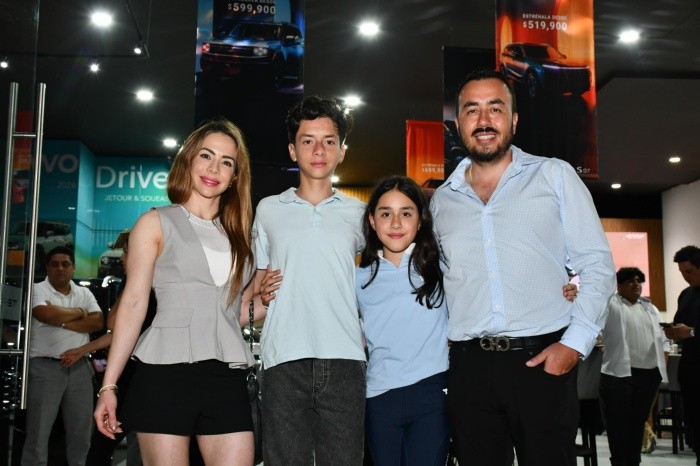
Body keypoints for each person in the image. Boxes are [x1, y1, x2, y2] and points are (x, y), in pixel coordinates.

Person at [430, 68, 616, 466]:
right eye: (472, 110)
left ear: (513, 120)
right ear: (458, 123)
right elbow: (442, 283)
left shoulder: (554, 175)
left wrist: (574, 343)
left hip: (542, 361)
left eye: (495, 109)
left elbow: (597, 266)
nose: (483, 120)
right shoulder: (442, 200)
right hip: (469, 368)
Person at [93, 118, 265, 466]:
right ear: (188, 160)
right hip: (165, 374)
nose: (214, 168)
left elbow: (232, 312)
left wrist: (267, 300)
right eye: (206, 155)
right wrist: (109, 386)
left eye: (226, 162)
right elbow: (134, 304)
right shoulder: (155, 222)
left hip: (226, 377)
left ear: (235, 176)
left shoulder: (242, 236)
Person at [253, 95, 366, 465]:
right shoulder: (268, 209)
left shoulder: (360, 213)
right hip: (283, 359)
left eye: (329, 141)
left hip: (346, 358)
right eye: (308, 140)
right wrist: (257, 298)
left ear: (341, 151)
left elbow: (383, 277)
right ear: (292, 150)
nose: (319, 150)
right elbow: (257, 288)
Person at [356, 175, 450, 466]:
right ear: (372, 221)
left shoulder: (442, 270)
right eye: (386, 214)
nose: (396, 223)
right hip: (378, 397)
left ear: (420, 221)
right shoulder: (357, 278)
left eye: (406, 213)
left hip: (432, 394)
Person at [62, 234, 154, 466]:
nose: (121, 257)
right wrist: (82, 349)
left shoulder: (143, 283)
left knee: (108, 439)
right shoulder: (142, 282)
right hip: (138, 370)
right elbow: (120, 333)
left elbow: (113, 322)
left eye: (126, 252)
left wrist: (134, 278)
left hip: (140, 373)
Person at [21, 246, 104, 466]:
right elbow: (44, 314)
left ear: (73, 267)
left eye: (65, 264)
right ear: (47, 268)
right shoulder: (37, 289)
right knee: (38, 432)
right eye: (55, 264)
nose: (60, 268)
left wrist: (61, 320)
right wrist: (80, 313)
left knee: (81, 432)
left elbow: (97, 322)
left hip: (80, 367)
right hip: (45, 367)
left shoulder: (84, 293)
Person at [599, 267, 669, 466]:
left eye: (639, 280)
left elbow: (663, 339)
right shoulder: (610, 304)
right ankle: (619, 462)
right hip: (618, 375)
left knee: (637, 423)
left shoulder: (650, 308)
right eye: (630, 280)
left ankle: (633, 462)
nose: (636, 284)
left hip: (648, 375)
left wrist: (661, 369)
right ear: (619, 286)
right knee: (617, 425)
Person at [665, 245, 700, 465]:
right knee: (695, 424)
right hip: (690, 370)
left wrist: (693, 332)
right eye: (682, 273)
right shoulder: (686, 295)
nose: (686, 277)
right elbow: (681, 325)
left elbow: (691, 330)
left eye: (689, 271)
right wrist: (673, 332)